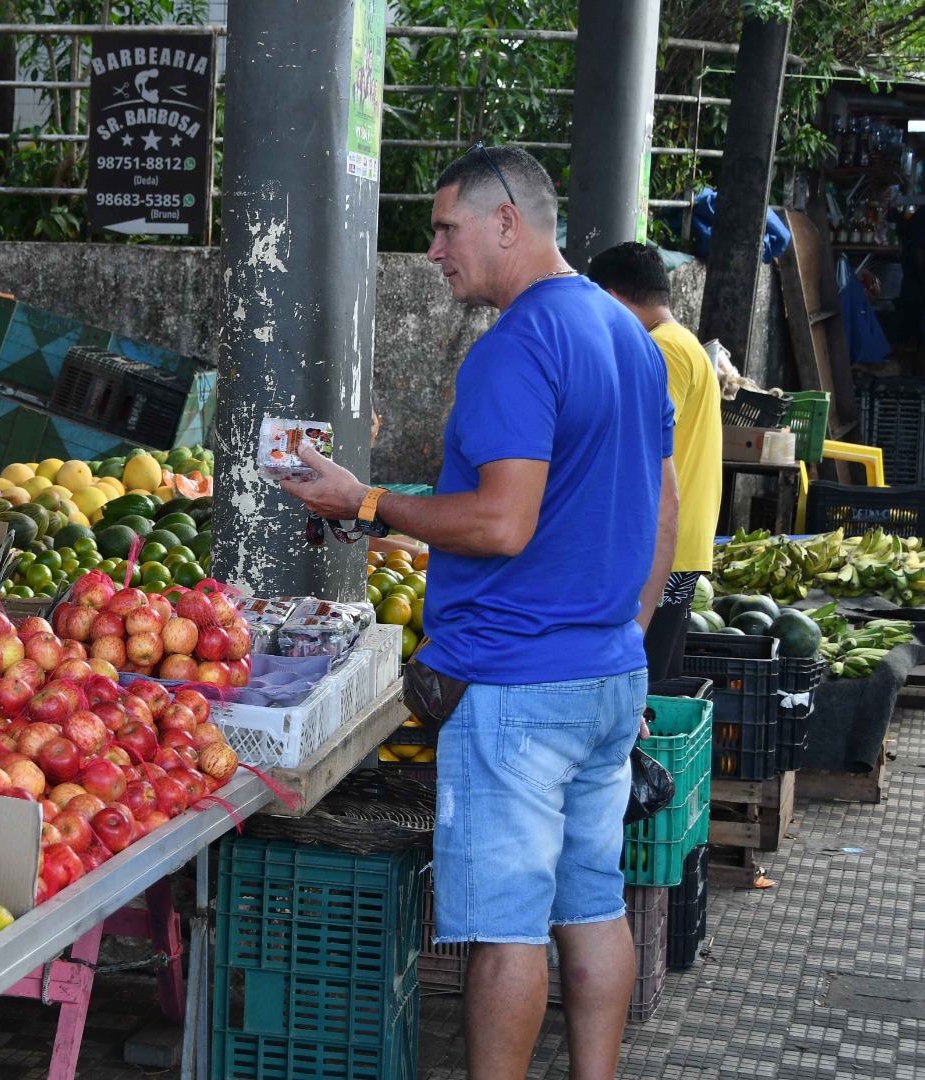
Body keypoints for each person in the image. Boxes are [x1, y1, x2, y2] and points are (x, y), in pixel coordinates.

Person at [281, 144, 677, 1080]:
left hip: (516, 689)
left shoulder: (516, 346)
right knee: (592, 907)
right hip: (610, 675)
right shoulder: (628, 335)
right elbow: (661, 510)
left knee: (505, 934)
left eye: (445, 226)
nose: (432, 249)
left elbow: (501, 524)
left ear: (508, 222)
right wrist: (626, 632)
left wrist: (367, 504)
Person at [588, 241, 722, 680]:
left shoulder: (663, 351)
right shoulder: (680, 344)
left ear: (611, 299)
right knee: (657, 683)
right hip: (679, 545)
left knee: (639, 686)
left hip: (664, 550)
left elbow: (638, 449)